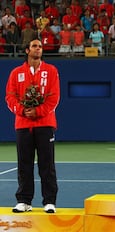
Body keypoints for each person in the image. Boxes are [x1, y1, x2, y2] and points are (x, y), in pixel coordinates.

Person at [5, 38, 60, 213]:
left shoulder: (51, 71)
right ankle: (24, 201)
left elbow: (54, 97)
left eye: (40, 47)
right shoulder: (16, 73)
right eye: (34, 46)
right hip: (23, 124)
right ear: (27, 50)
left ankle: (49, 201)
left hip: (45, 124)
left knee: (47, 164)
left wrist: (38, 111)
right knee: (24, 164)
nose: (38, 49)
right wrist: (22, 110)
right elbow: (10, 97)